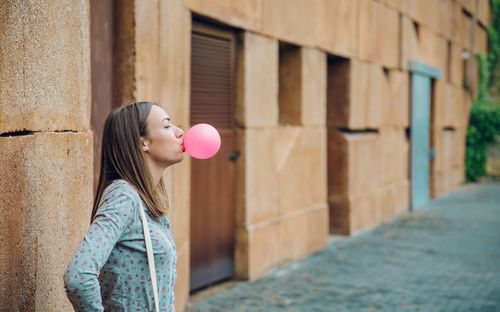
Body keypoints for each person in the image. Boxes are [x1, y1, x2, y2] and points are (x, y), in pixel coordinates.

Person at [64, 102, 184, 311]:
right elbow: (78, 276)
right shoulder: (123, 196)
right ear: (143, 143)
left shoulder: (148, 198)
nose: (179, 132)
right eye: (166, 126)